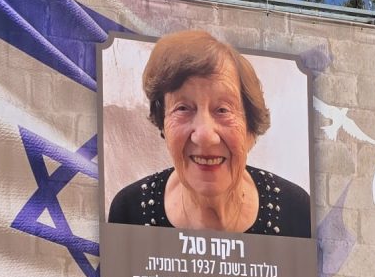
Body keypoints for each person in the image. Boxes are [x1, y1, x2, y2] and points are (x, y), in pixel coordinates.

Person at [108, 30, 312, 237]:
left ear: (250, 128)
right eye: (183, 108)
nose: (205, 135)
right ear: (163, 124)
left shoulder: (296, 211)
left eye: (223, 110)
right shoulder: (129, 212)